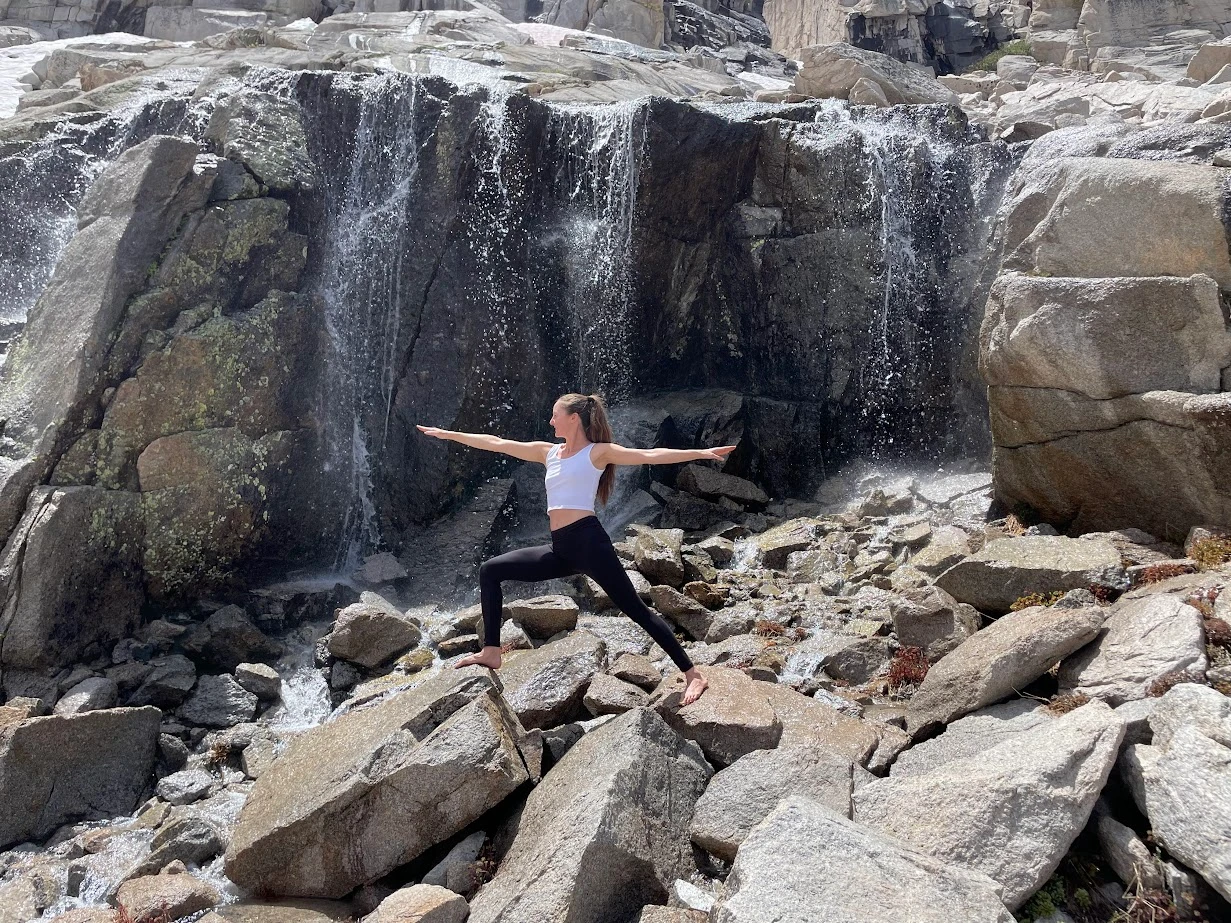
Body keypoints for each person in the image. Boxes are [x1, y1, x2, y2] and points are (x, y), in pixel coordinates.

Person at [415, 393, 736, 706]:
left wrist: (701, 453)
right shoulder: (548, 452)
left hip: (590, 544)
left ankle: (693, 674)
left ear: (573, 419)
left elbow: (650, 455)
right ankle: (491, 651)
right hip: (561, 550)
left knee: (636, 610)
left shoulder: (597, 453)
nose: (551, 419)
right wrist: (448, 434)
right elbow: (497, 443)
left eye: (556, 414)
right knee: (490, 571)